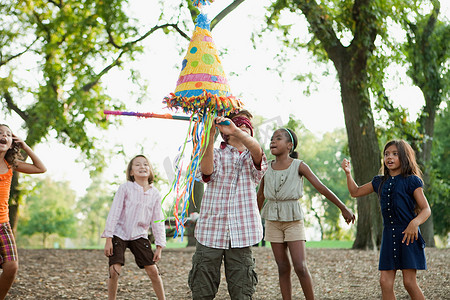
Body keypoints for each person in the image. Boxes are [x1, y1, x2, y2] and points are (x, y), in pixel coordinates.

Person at [257, 128, 355, 300]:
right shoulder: (266, 168)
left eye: (278, 138)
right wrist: (254, 220)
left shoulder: (299, 165)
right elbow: (260, 195)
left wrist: (343, 207)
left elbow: (321, 187)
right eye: (272, 138)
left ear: (289, 146)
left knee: (300, 266)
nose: (272, 141)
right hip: (272, 219)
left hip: (293, 219)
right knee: (282, 267)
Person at [188, 110, 268, 300]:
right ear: (226, 133)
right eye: (238, 127)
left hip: (242, 233)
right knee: (202, 289)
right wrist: (209, 135)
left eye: (246, 129)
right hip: (210, 232)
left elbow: (257, 151)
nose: (243, 131)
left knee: (242, 290)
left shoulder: (251, 157)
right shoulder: (215, 153)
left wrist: (237, 130)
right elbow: (206, 171)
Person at [341, 139, 431, 300]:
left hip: (408, 235)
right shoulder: (379, 181)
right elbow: (355, 192)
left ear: (404, 157)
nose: (389, 157)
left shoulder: (412, 181)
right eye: (387, 154)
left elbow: (426, 209)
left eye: (395, 154)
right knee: (384, 282)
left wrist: (414, 223)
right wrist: (348, 173)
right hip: (389, 236)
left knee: (409, 283)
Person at [102, 155, 166, 300]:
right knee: (114, 271)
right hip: (119, 233)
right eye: (137, 165)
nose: (142, 167)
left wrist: (159, 246)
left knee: (153, 271)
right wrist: (108, 238)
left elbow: (158, 220)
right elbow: (114, 212)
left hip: (139, 235)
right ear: (131, 172)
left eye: (145, 164)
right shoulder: (125, 188)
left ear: (150, 171)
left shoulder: (155, 194)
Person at [0, 124, 46, 300]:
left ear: (12, 142)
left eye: (8, 135)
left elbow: (40, 168)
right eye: (0, 133)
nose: (3, 136)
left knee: (11, 267)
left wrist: (25, 146)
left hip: (3, 225)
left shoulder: (11, 164)